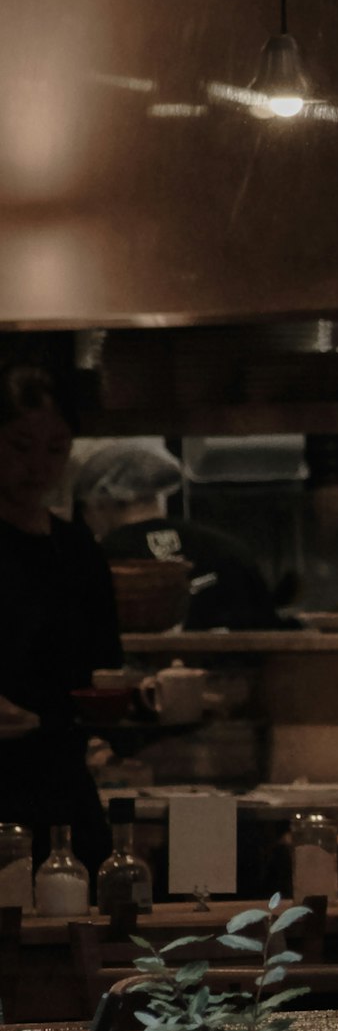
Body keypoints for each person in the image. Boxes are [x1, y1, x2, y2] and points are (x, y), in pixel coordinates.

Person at [0, 366, 119, 863]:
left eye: (56, 450)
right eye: (20, 446)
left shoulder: (76, 548)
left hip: (62, 785)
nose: (38, 466)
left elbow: (103, 664)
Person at [76, 441, 288, 631]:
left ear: (100, 502)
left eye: (84, 509)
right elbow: (270, 631)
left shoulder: (97, 560)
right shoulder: (227, 548)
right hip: (233, 672)